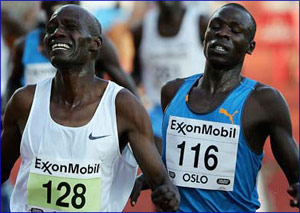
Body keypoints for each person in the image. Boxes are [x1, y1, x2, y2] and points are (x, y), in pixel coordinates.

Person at [1, 5, 179, 212]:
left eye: (70, 27)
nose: (57, 32)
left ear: (95, 44)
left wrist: (167, 193)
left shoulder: (123, 107)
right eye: (52, 27)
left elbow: (163, 184)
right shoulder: (24, 102)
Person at [131, 3, 299, 212]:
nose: (222, 34)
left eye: (235, 30)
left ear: (250, 47)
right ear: (205, 36)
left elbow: (295, 173)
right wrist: (151, 178)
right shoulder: (172, 93)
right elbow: (175, 165)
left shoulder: (264, 102)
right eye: (216, 26)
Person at [6, 1, 136, 102]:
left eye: (70, 25)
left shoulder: (94, 43)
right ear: (43, 6)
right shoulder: (24, 46)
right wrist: (7, 109)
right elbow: (13, 81)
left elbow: (127, 87)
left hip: (84, 123)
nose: (60, 32)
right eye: (53, 26)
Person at [131, 1, 209, 153]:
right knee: (160, 166)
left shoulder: (200, 23)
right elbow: (137, 73)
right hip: (157, 112)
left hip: (195, 112)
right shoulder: (142, 29)